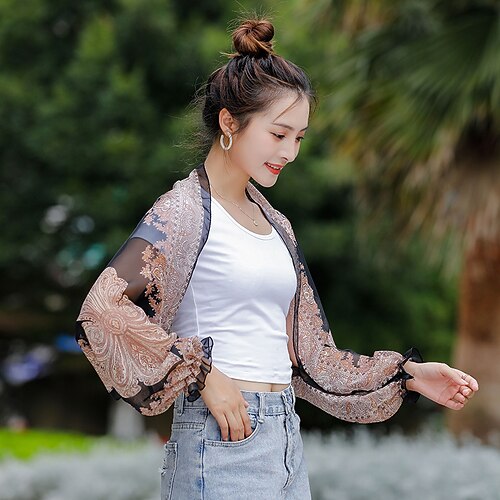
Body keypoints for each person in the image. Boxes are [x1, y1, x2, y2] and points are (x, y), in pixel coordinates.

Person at [75, 17, 479, 500]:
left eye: (299, 138)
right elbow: (102, 311)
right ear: (229, 122)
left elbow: (312, 360)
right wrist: (202, 374)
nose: (290, 152)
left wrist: (408, 376)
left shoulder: (276, 224)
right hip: (220, 440)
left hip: (284, 440)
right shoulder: (184, 212)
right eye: (279, 133)